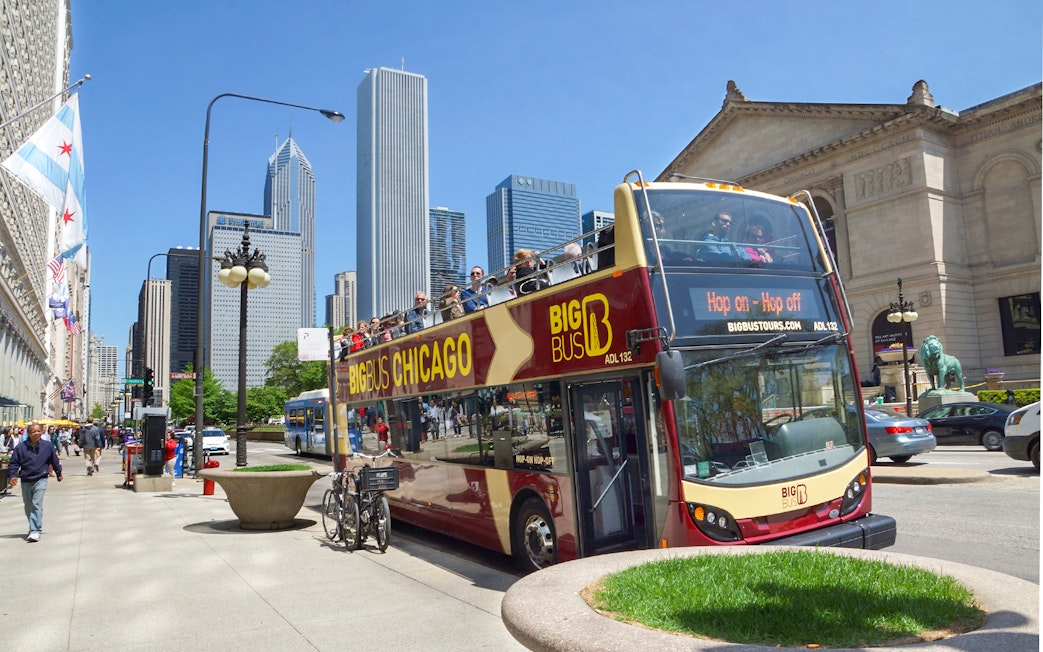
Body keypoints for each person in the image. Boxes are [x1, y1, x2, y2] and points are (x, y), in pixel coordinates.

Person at [6, 420, 62, 542]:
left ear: (41, 432)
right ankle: (33, 525)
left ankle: (35, 530)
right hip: (26, 478)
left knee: (37, 504)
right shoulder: (21, 447)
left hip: (41, 478)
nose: (36, 433)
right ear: (29, 434)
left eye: (38, 431)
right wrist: (12, 476)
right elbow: (14, 463)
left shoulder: (47, 446)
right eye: (33, 431)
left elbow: (54, 460)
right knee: (28, 505)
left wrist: (59, 473)